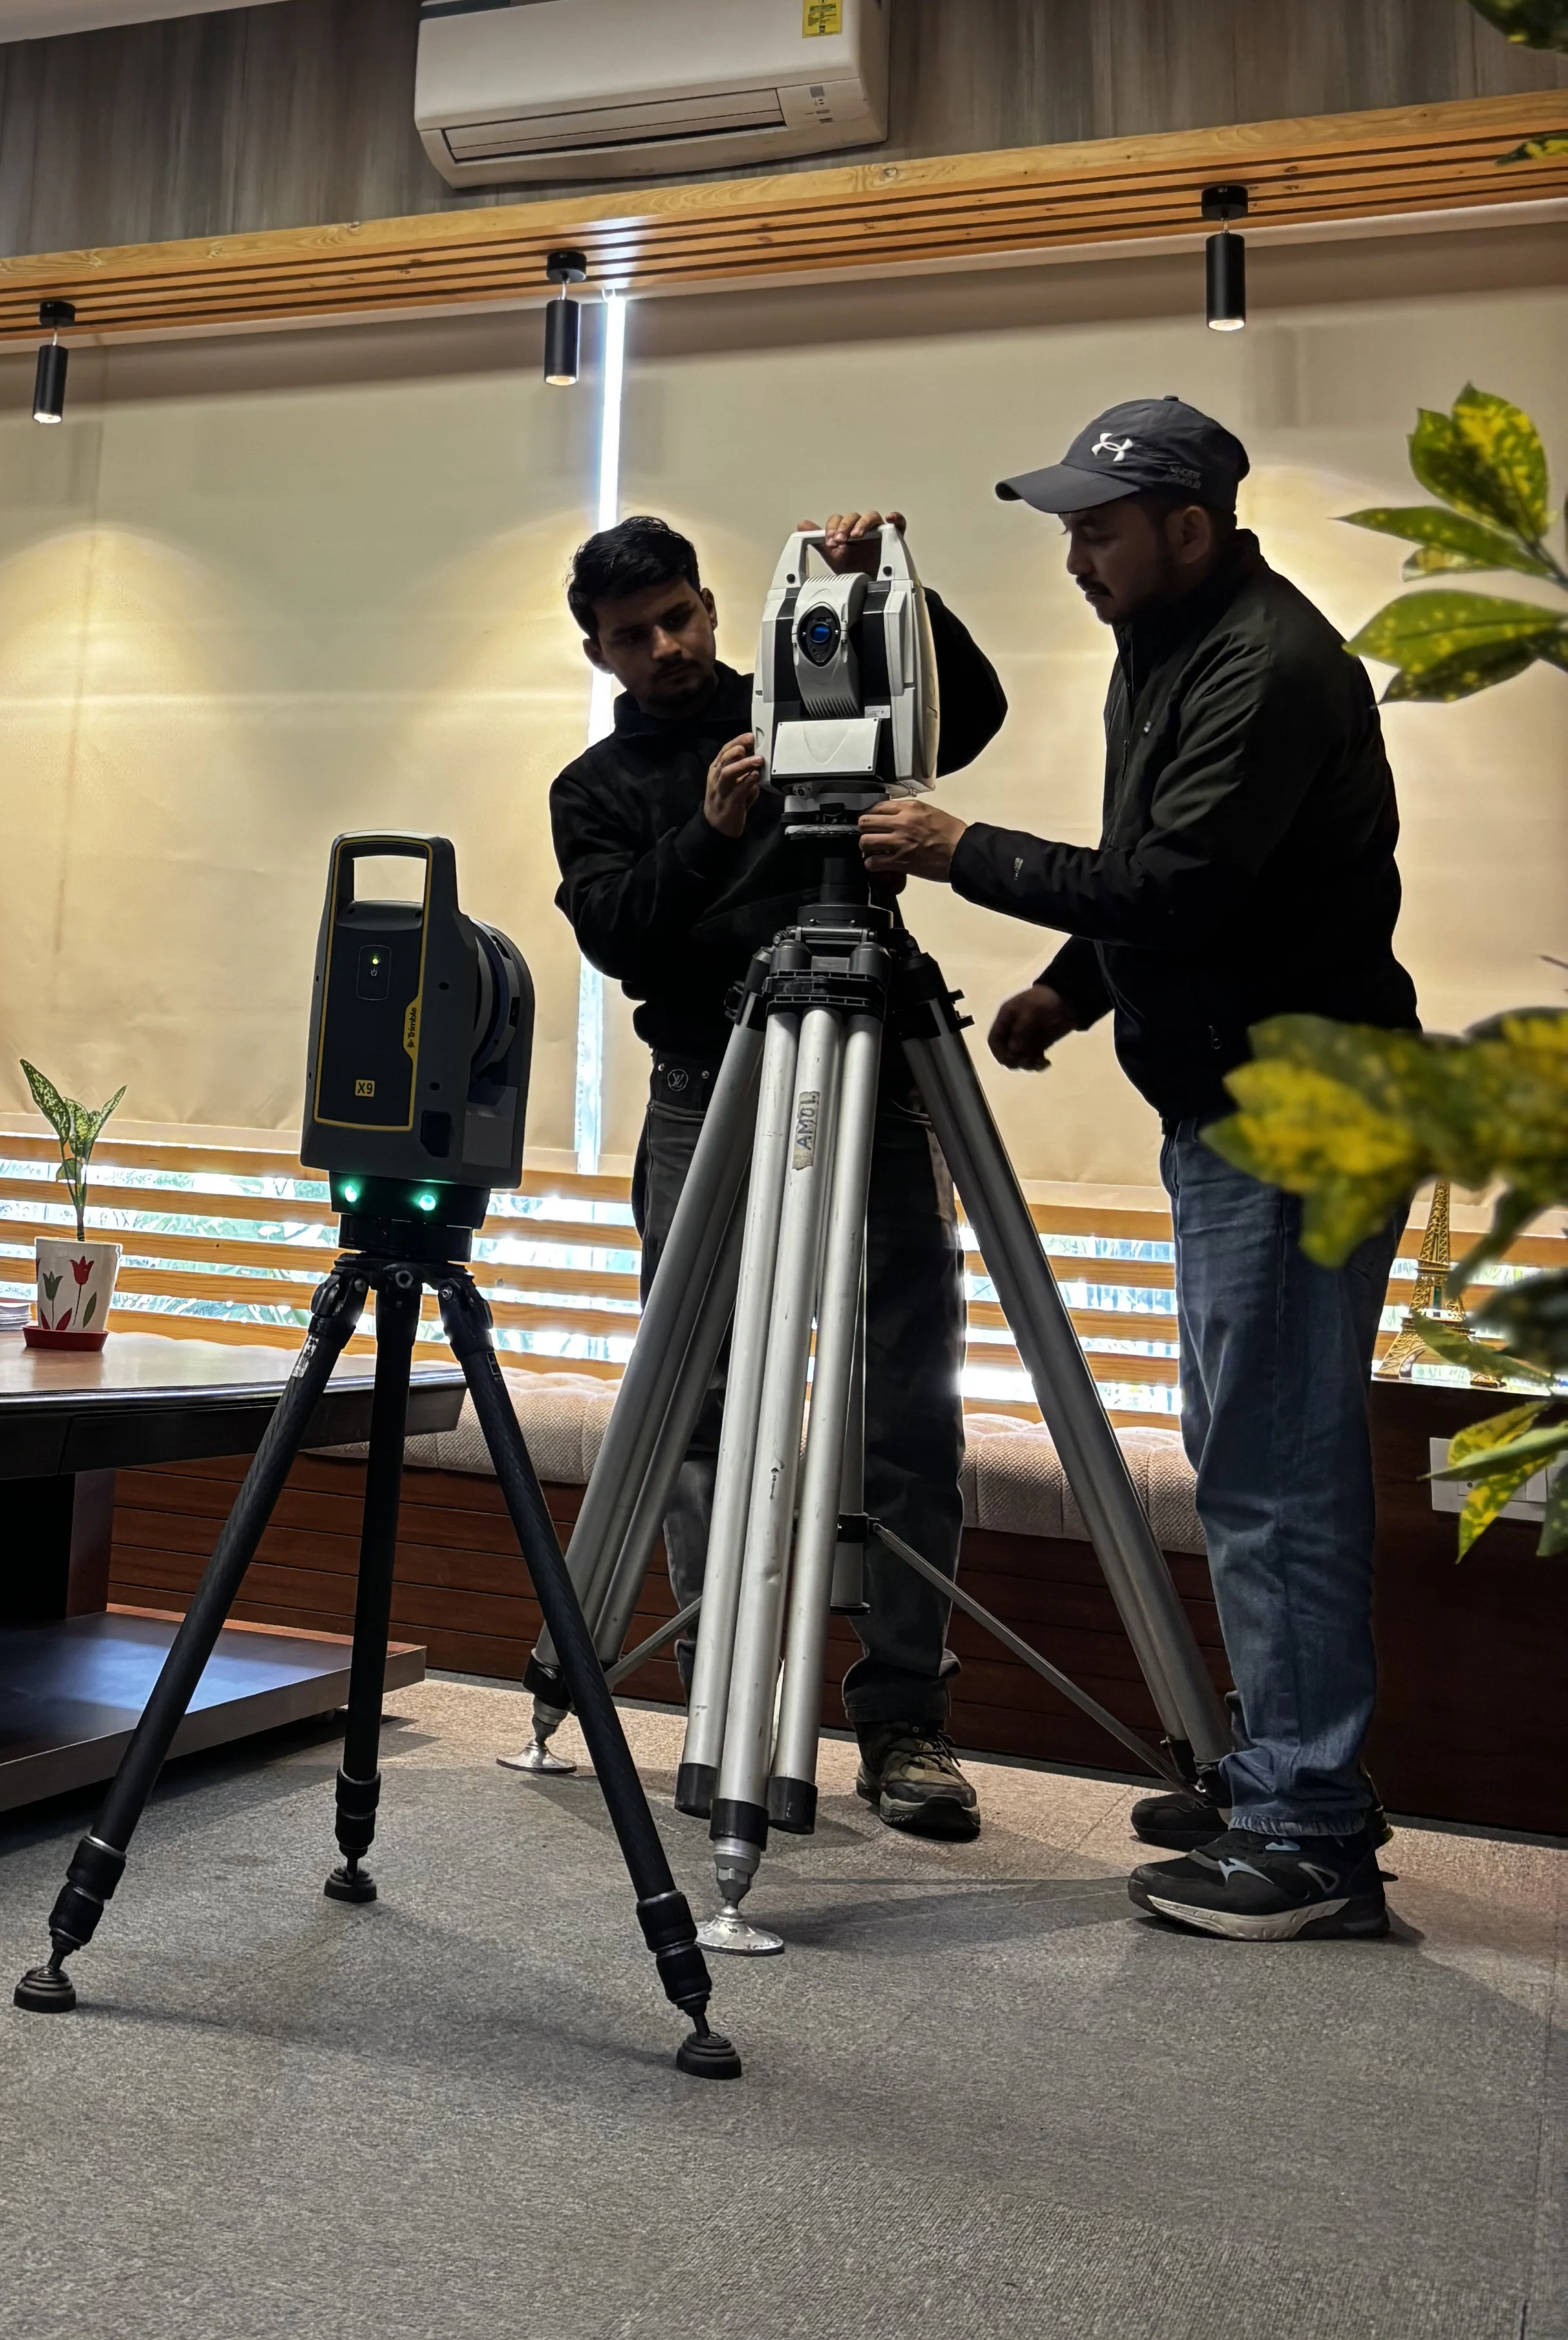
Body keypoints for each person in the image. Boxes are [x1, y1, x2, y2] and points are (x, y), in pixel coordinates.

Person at [860, 396, 1418, 1944]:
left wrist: (957, 849)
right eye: (1067, 532)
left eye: (1098, 530)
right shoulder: (1171, 643)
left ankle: (1307, 1831)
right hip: (1237, 1104)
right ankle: (1285, 1774)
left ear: (1194, 524)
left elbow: (1174, 881)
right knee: (1249, 1453)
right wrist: (1071, 985)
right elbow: (1185, 869)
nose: (1077, 559)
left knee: (1274, 1472)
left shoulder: (1266, 664)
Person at [551, 507, 1009, 1838]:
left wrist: (887, 591)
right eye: (637, 637)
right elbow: (621, 937)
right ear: (602, 652)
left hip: (876, 1081)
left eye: (683, 615)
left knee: (907, 1407)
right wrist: (705, 829)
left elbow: (956, 717)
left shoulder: (803, 694)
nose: (672, 648)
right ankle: (728, 1706)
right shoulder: (596, 789)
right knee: (698, 1411)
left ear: (710, 605)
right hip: (707, 1092)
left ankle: (906, 1720)